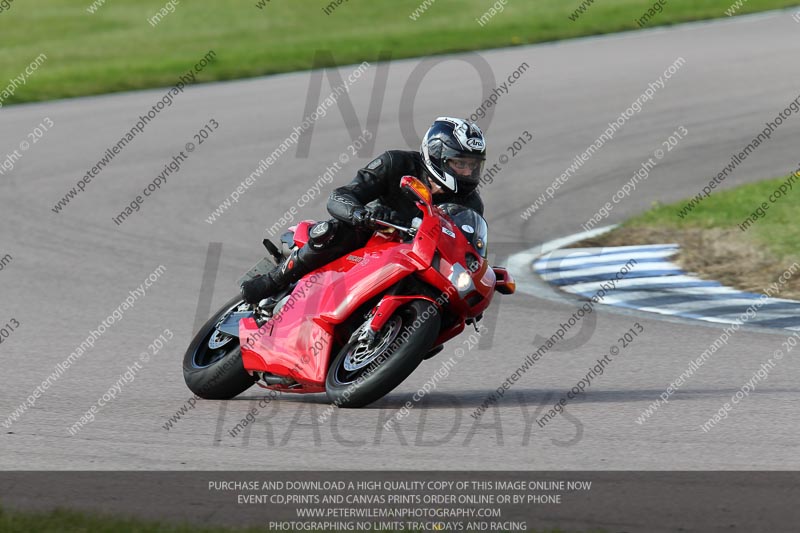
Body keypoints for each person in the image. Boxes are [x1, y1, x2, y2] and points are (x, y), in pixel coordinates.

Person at [240, 116, 487, 304]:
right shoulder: (396, 163)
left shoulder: (471, 205)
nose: (467, 172)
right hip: (370, 239)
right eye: (460, 163)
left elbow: (466, 250)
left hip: (415, 260)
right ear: (437, 155)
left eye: (472, 165)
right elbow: (341, 196)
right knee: (335, 232)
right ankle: (273, 280)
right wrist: (362, 215)